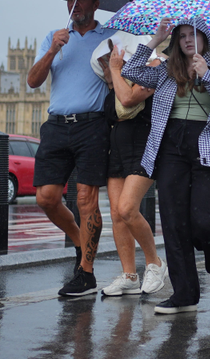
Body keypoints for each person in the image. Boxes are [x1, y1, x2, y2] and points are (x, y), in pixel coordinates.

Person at [121, 17, 210, 314]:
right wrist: (154, 40)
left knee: (204, 222)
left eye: (194, 34)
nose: (188, 40)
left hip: (209, 148)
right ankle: (184, 294)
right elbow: (129, 71)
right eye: (182, 35)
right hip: (171, 147)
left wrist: (207, 75)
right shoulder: (166, 69)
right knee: (174, 225)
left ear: (205, 37)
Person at [26, 0, 114, 297]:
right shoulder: (53, 37)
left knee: (86, 200)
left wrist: (110, 72)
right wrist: (52, 51)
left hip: (92, 125)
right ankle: (81, 243)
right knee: (46, 198)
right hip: (56, 125)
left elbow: (121, 82)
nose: (73, 4)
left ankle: (86, 274)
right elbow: (33, 81)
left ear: (96, 2)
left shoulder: (109, 38)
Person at [93, 36, 168, 296]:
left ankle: (155, 263)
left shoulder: (157, 67)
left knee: (127, 209)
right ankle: (129, 275)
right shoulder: (124, 74)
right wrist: (113, 74)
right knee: (116, 214)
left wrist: (115, 71)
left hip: (144, 147)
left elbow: (129, 101)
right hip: (118, 149)